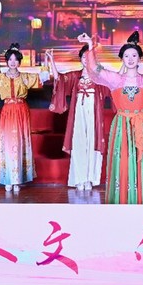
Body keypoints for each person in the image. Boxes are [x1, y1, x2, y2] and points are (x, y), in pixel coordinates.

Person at [80, 30, 143, 204]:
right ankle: (121, 199)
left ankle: (140, 200)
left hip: (141, 125)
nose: (130, 59)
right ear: (122, 59)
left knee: (140, 161)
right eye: (126, 56)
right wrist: (90, 45)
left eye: (134, 55)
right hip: (121, 125)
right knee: (123, 162)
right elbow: (94, 69)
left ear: (139, 59)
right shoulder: (115, 79)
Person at [0, 43, 41, 192]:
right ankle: (8, 179)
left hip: (21, 111)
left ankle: (18, 179)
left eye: (16, 59)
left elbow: (42, 77)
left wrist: (49, 60)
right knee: (7, 143)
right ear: (6, 61)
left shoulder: (25, 77)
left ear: (19, 61)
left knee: (21, 142)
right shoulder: (0, 78)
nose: (13, 62)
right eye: (10, 59)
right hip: (7, 110)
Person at [46, 45, 109, 191]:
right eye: (84, 57)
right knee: (79, 142)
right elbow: (60, 79)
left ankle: (90, 179)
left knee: (92, 142)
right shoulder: (75, 75)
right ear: (80, 59)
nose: (86, 60)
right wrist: (52, 61)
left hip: (94, 112)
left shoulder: (99, 76)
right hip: (79, 111)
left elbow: (114, 81)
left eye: (89, 57)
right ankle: (79, 179)